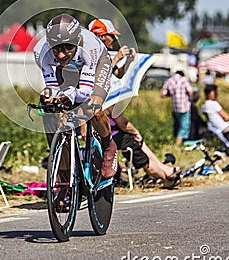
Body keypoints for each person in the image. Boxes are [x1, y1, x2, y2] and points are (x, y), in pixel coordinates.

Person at [89, 19, 181, 188]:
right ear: (101, 37)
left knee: (137, 139)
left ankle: (164, 169)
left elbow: (117, 74)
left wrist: (128, 61)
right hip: (102, 126)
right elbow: (99, 76)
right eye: (111, 37)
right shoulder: (91, 57)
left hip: (109, 122)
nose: (114, 41)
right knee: (134, 141)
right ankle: (164, 176)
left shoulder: (103, 56)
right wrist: (116, 57)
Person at [33, 13, 117, 179]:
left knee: (92, 106)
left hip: (96, 63)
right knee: (55, 113)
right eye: (56, 48)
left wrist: (71, 95)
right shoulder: (40, 52)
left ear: (78, 41)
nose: (62, 55)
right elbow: (52, 87)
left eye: (68, 48)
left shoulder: (90, 45)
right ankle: (65, 178)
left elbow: (85, 92)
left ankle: (109, 145)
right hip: (65, 71)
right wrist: (51, 97)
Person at [161, 71, 194, 146]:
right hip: (184, 107)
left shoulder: (169, 80)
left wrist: (173, 94)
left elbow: (162, 94)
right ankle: (178, 144)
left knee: (178, 125)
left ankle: (180, 142)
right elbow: (191, 92)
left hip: (175, 108)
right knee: (184, 126)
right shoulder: (183, 80)